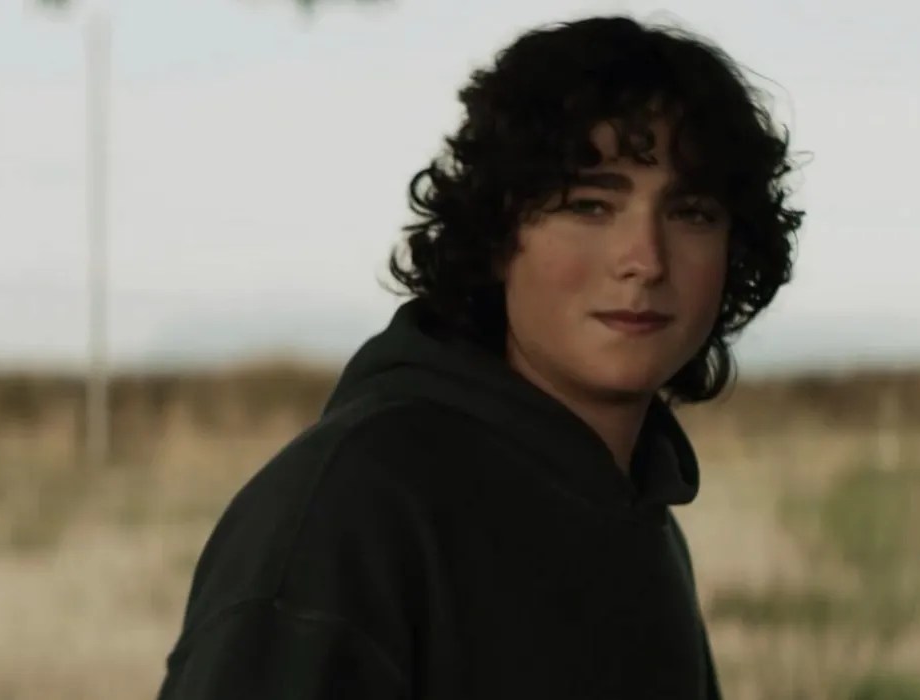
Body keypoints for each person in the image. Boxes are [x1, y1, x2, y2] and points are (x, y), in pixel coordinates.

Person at [154, 14, 803, 700]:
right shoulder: (353, 509)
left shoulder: (643, 516)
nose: (645, 259)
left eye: (692, 212)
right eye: (589, 206)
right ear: (497, 235)